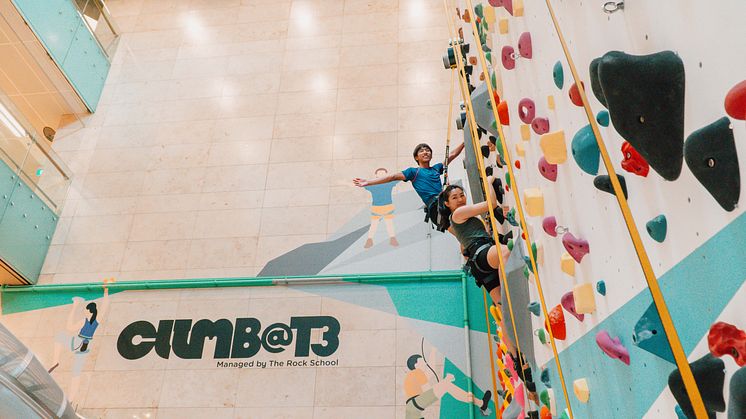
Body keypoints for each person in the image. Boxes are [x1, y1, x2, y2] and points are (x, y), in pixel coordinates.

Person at [353, 142, 465, 230]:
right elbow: (392, 177)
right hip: (436, 207)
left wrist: (465, 143)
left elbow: (452, 154)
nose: (426, 152)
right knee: (461, 228)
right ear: (416, 157)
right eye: (422, 151)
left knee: (463, 233)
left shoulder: (436, 168)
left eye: (428, 150)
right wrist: (369, 182)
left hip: (445, 204)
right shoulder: (413, 172)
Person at [48, 278, 113, 405]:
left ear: (89, 311)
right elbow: (105, 306)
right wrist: (106, 291)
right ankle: (71, 400)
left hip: (77, 342)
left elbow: (69, 327)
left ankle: (55, 361)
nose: (84, 311)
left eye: (85, 310)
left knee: (60, 336)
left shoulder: (85, 320)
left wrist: (74, 307)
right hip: (85, 346)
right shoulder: (96, 321)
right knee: (76, 373)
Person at [404, 350, 491, 418]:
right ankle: (481, 403)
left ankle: (480, 403)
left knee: (447, 386)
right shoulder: (417, 372)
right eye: (422, 361)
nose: (425, 363)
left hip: (413, 409)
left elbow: (431, 369)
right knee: (447, 386)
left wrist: (434, 350)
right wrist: (445, 381)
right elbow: (428, 390)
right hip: (414, 405)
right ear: (416, 365)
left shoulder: (415, 375)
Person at [362, 168, 399, 248]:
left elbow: (398, 178)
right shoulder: (372, 185)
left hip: (387, 206)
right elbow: (362, 184)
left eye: (383, 174)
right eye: (380, 173)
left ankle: (392, 239)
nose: (381, 175)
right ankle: (370, 240)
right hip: (376, 207)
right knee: (374, 224)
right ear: (376, 175)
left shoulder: (389, 183)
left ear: (386, 175)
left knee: (389, 223)